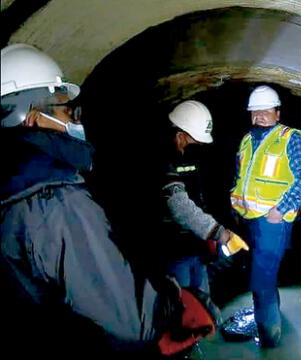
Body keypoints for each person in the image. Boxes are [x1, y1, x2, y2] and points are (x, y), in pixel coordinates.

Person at [0, 43, 215, 358]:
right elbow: (133, 319)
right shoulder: (55, 201)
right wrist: (174, 298)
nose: (73, 117)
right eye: (63, 107)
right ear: (32, 117)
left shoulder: (17, 185)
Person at [230, 85, 301, 347]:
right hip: (250, 221)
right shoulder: (247, 140)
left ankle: (269, 337)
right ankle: (272, 320)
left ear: (277, 113)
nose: (260, 115)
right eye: (255, 111)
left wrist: (281, 209)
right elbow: (241, 178)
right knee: (261, 275)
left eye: (266, 110)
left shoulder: (291, 138)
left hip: (272, 223)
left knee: (261, 278)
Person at [161, 100, 232, 295]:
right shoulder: (161, 160)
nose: (196, 145)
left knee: (201, 299)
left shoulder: (189, 155)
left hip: (195, 243)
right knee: (181, 304)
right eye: (193, 141)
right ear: (179, 134)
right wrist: (217, 232)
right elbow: (178, 206)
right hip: (171, 247)